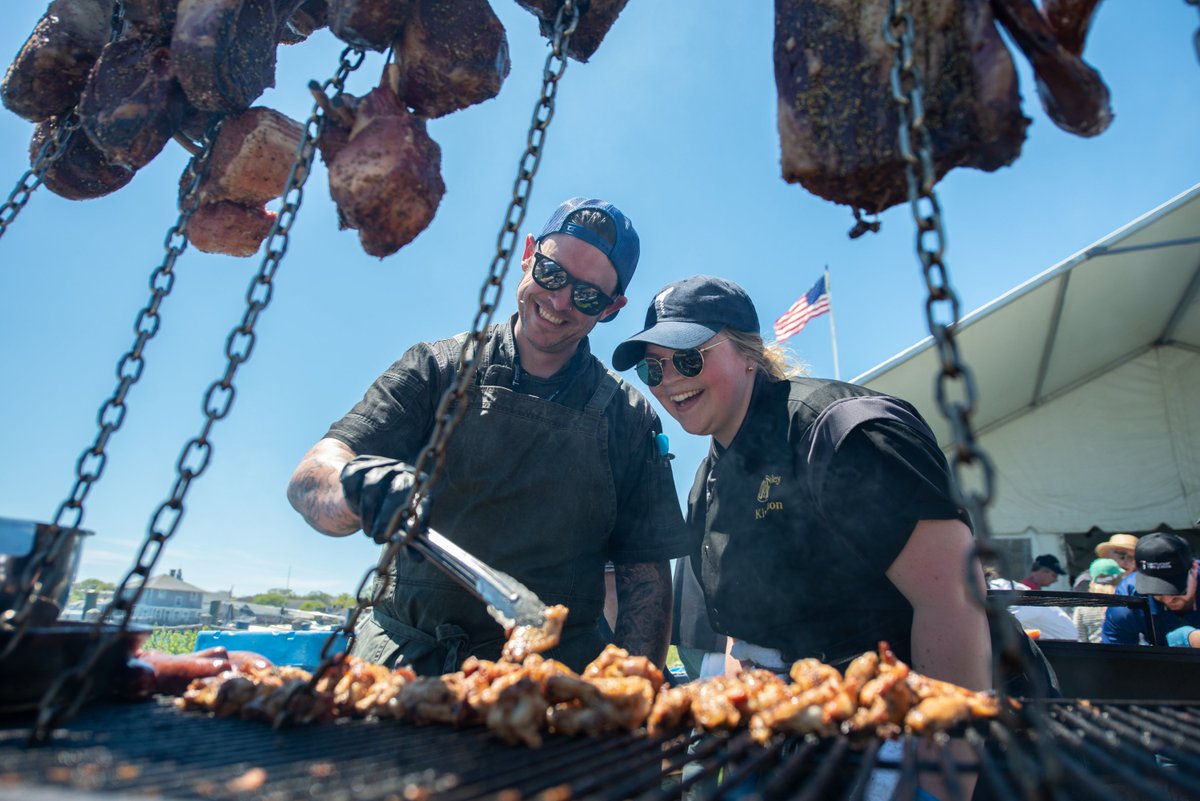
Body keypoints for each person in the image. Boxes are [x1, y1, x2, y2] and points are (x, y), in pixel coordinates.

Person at [286, 197, 690, 675]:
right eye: (552, 273)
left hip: (551, 681)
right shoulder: (434, 369)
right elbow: (312, 474)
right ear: (527, 254)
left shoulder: (629, 418)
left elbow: (644, 579)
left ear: (612, 308)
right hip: (405, 664)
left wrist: (635, 694)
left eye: (587, 296)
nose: (559, 301)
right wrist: (355, 487)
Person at [611, 275, 992, 690]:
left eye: (688, 358)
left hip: (901, 716)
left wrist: (949, 743)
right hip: (803, 729)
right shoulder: (707, 482)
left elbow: (952, 599)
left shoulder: (841, 433)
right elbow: (746, 638)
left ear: (748, 352)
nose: (668, 379)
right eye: (652, 368)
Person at [1101, 532, 1200, 647]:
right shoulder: (1128, 600)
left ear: (1194, 568)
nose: (1168, 599)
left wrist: (1190, 638)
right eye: (1157, 591)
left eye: (1178, 589)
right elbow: (1115, 657)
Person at [986, 568, 1079, 641]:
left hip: (1066, 646)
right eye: (1054, 575)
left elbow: (997, 625)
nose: (1056, 580)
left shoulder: (1009, 595)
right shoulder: (999, 587)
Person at [1071, 557, 1123, 643]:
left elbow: (1080, 639)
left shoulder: (1082, 608)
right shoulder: (1126, 603)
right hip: (1127, 653)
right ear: (1118, 579)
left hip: (1095, 654)